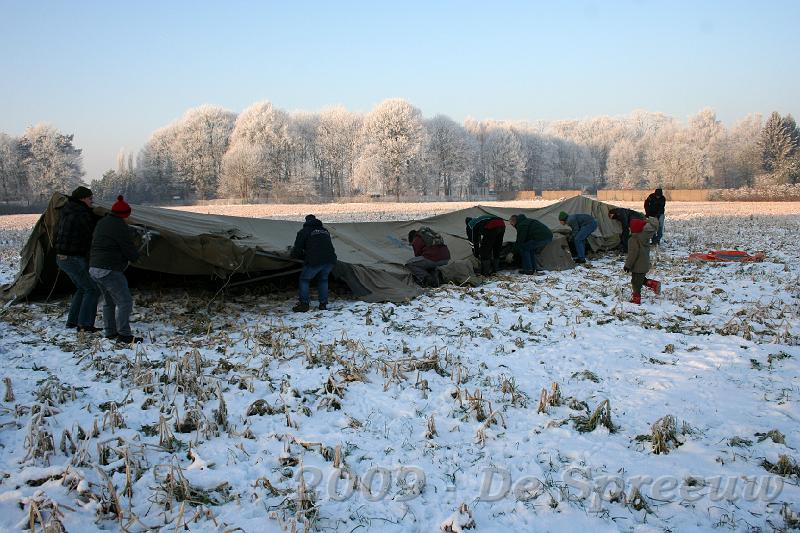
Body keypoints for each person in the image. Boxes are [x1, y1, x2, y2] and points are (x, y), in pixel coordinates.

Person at [89, 195, 143, 343]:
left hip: (94, 268)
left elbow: (110, 239)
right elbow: (127, 247)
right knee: (125, 302)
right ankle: (124, 334)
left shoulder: (103, 222)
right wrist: (137, 256)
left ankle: (110, 332)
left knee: (109, 301)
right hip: (108, 270)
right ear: (125, 214)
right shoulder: (119, 226)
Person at [54, 186, 101, 332]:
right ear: (82, 199)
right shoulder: (81, 213)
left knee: (82, 288)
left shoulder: (69, 210)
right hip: (73, 258)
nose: (92, 201)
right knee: (92, 289)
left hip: (62, 258)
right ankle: (85, 325)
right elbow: (91, 232)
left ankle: (73, 322)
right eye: (90, 198)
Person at [290, 214, 337, 312]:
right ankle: (323, 304)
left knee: (304, 279)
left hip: (315, 261)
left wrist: (293, 256)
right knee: (323, 280)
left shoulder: (303, 232)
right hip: (330, 260)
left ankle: (304, 304)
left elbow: (297, 249)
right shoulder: (325, 231)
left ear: (306, 222)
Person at [624, 217, 661, 304]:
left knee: (635, 282)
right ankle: (653, 284)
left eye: (630, 227)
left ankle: (636, 299)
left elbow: (633, 254)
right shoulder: (644, 236)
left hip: (638, 265)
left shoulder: (633, 239)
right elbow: (655, 224)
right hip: (644, 263)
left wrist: (627, 265)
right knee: (640, 279)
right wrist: (647, 220)